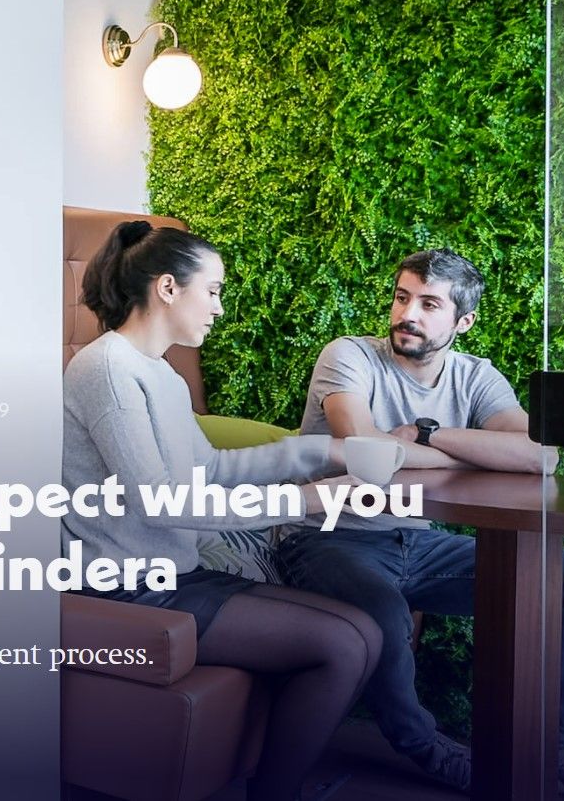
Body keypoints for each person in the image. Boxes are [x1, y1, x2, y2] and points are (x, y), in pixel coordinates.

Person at [273, 249, 564, 800]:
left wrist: (427, 435)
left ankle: (544, 753)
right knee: (385, 613)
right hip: (328, 534)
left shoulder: (475, 375)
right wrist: (476, 453)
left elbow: (543, 455)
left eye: (429, 303)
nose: (407, 313)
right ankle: (426, 749)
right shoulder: (349, 357)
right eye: (402, 296)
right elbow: (367, 455)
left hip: (420, 540)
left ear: (463, 321)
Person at [63, 220, 382, 801]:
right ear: (166, 288)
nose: (219, 307)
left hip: (174, 571)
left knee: (365, 629)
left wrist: (320, 453)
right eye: (211, 290)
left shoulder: (161, 375)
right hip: (124, 584)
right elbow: (159, 501)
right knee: (340, 645)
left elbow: (209, 470)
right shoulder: (106, 369)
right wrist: (303, 500)